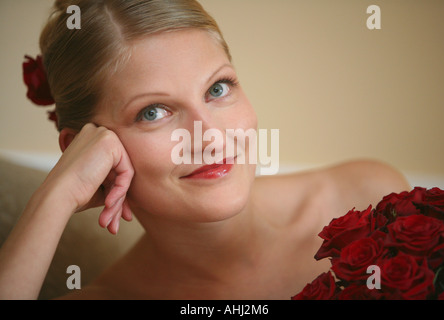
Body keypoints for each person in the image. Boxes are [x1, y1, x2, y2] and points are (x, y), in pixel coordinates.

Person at [0, 0, 410, 300]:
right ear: (84, 149)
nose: (210, 137)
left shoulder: (372, 198)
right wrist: (55, 196)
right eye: (153, 112)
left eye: (218, 88)